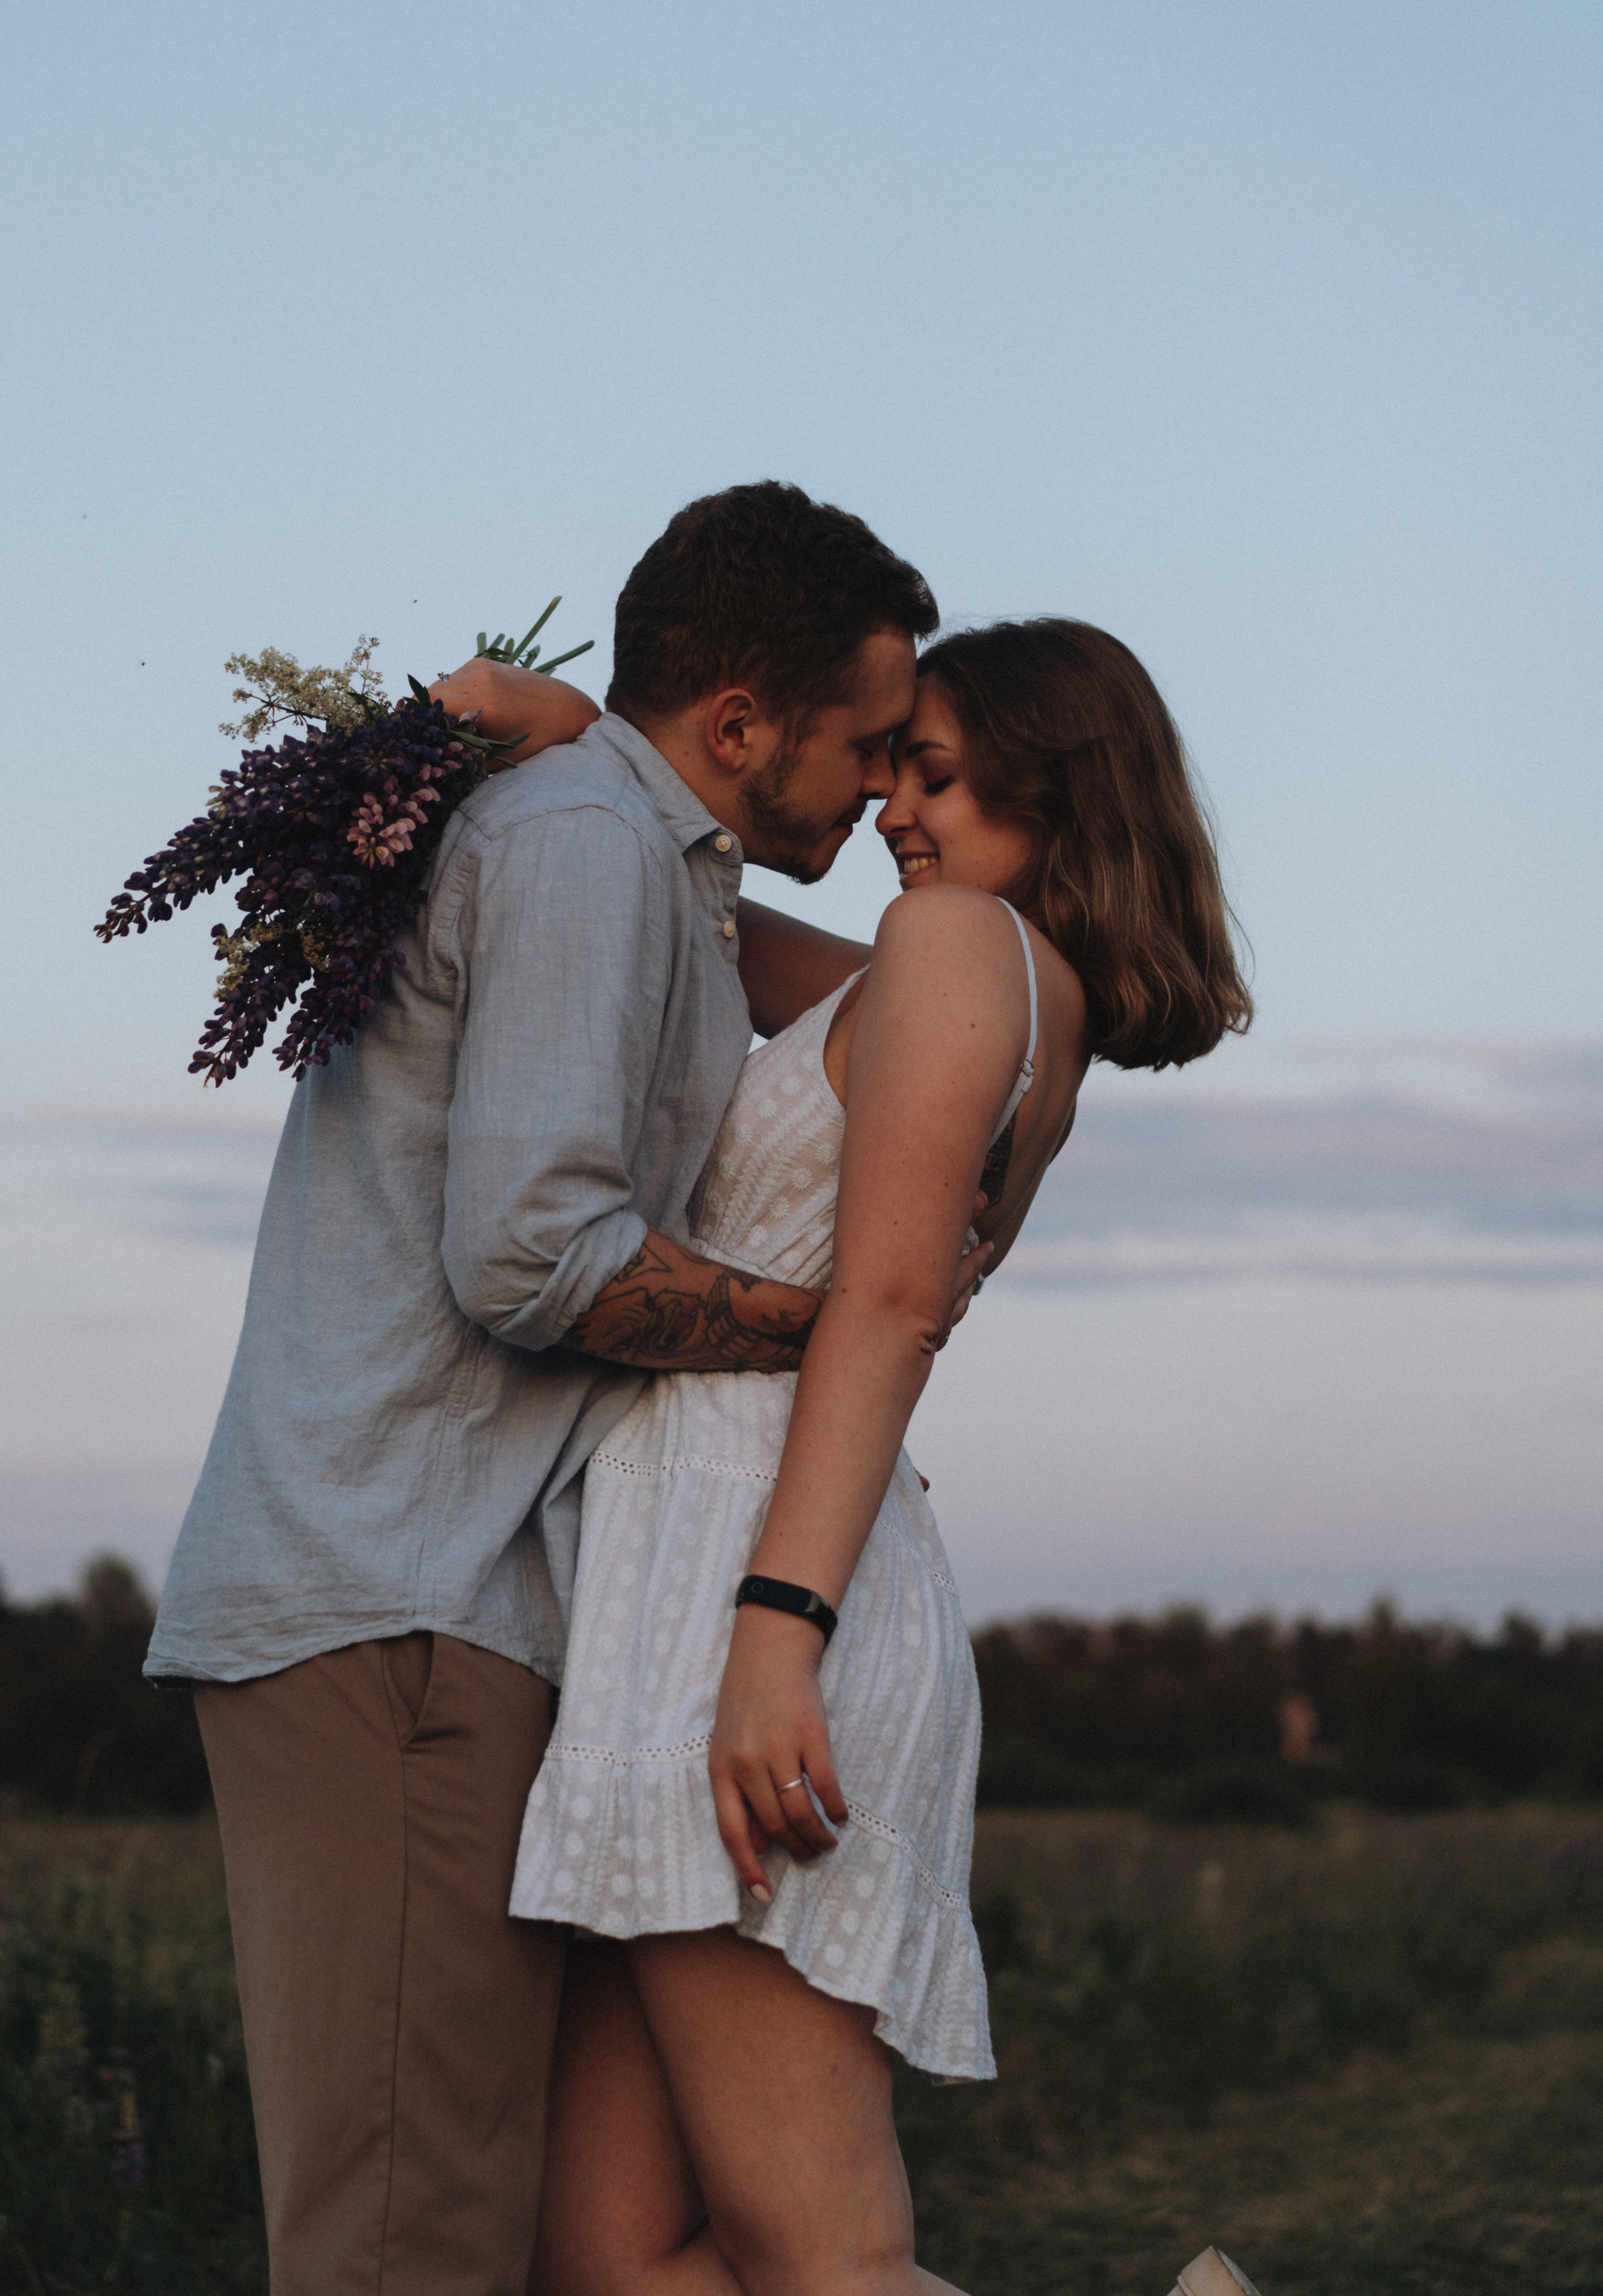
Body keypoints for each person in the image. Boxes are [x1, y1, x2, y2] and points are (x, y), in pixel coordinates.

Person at [143, 482, 948, 2296]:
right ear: (737, 724)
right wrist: (829, 1337)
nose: (882, 790)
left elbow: (914, 1016)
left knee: (496, 2237)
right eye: (869, 745)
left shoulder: (646, 858)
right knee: (401, 2249)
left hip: (447, 1610)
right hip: (395, 1602)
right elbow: (532, 1253)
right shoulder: (587, 847)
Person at [509, 617, 1254, 2296]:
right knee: (607, 2259)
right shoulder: (966, 983)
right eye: (883, 766)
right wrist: (594, 755)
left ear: (1050, 783)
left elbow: (898, 1301)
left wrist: (778, 1627)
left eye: (928, 770)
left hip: (759, 1586)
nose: (889, 808)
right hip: (708, 1575)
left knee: (817, 2249)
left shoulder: (952, 952)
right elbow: (693, 916)